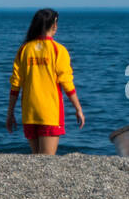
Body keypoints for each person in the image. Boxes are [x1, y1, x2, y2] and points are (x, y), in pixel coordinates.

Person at [6, 8, 85, 155]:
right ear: (54, 25)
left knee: (37, 161)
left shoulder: (24, 50)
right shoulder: (58, 50)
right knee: (46, 163)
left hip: (29, 112)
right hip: (50, 112)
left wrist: (10, 113)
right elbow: (67, 83)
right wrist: (78, 109)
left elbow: (15, 85)